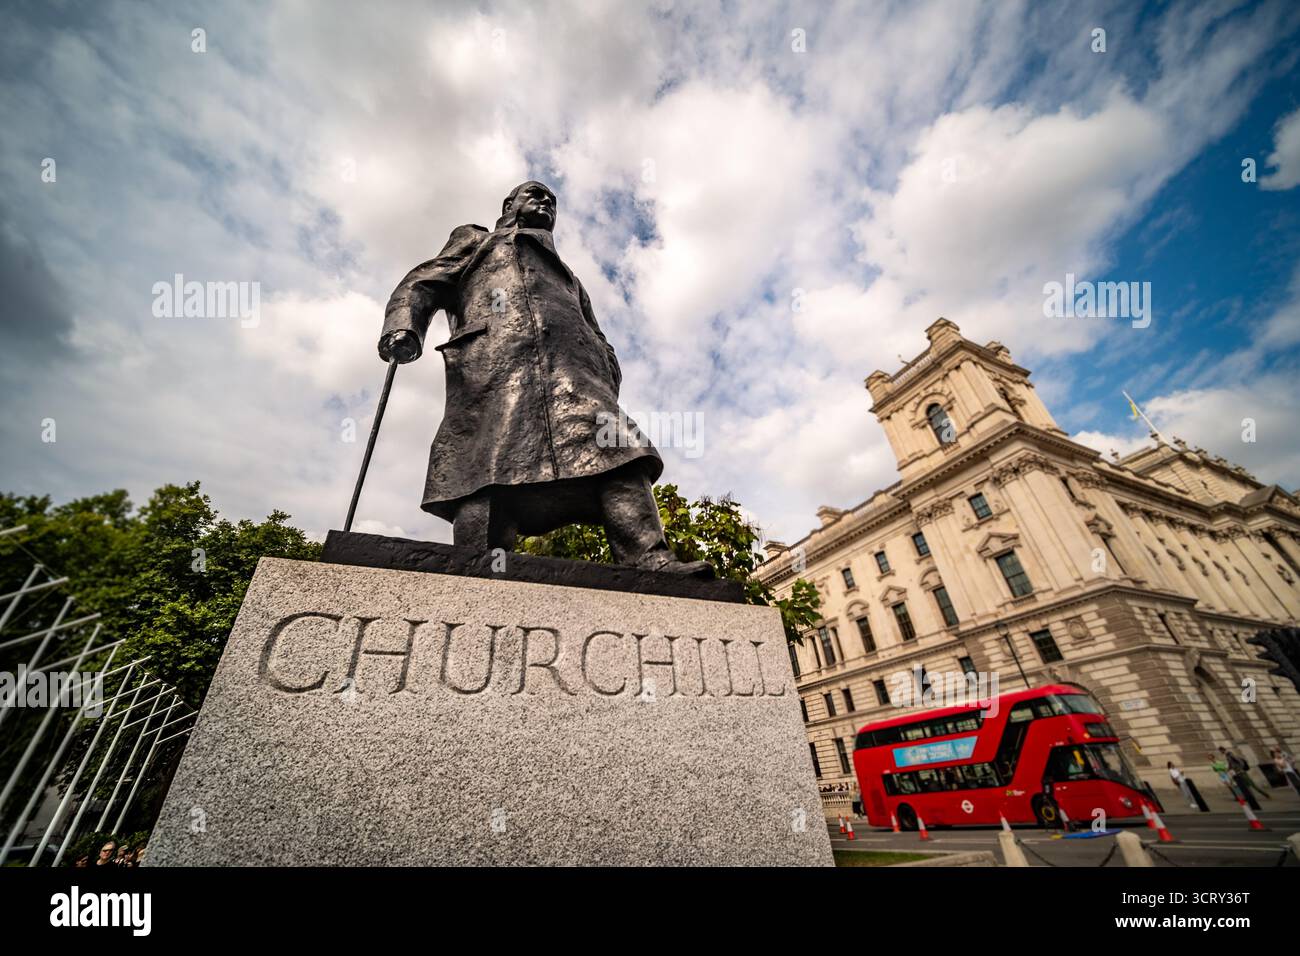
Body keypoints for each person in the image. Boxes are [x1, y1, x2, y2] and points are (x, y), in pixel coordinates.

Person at [379, 181, 709, 575]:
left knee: (622, 452)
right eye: (536, 194)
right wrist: (405, 326)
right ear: (509, 204)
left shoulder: (569, 276)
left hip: (575, 380)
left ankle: (648, 558)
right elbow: (422, 282)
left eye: (553, 200)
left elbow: (594, 328)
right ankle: (479, 565)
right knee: (485, 468)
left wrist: (606, 366)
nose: (546, 202)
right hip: (496, 370)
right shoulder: (476, 241)